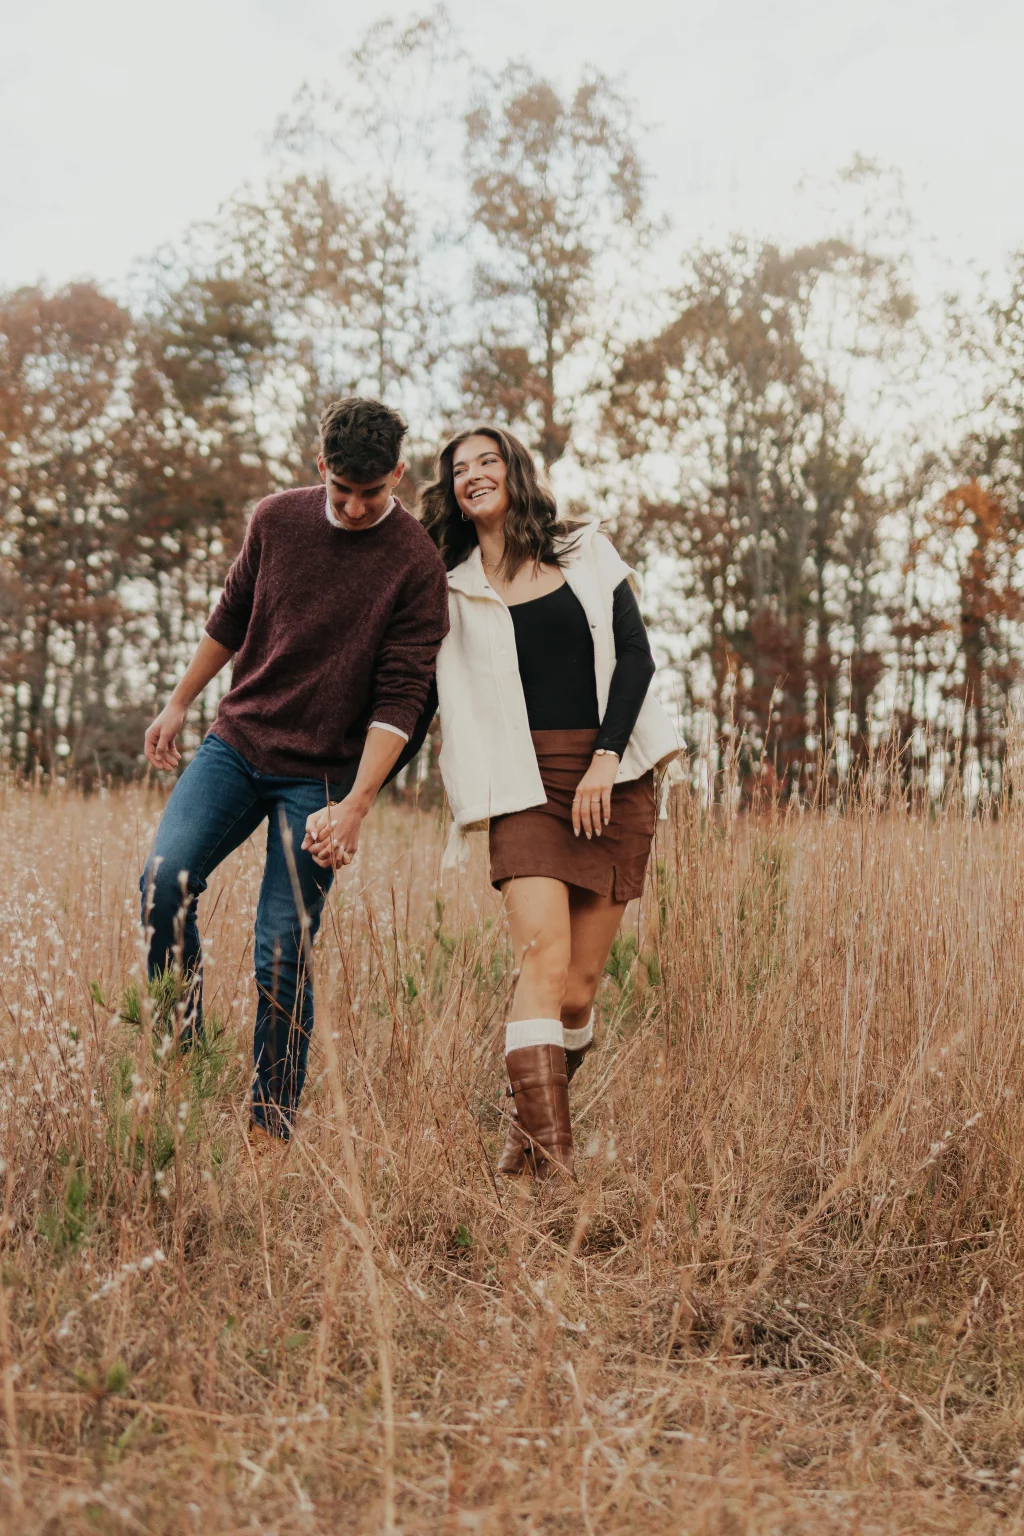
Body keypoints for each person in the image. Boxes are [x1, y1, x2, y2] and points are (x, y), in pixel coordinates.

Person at [140, 398, 449, 1143]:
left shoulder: (416, 564)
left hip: (320, 780)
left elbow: (403, 698)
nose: (353, 506)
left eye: (370, 492)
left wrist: (356, 805)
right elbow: (230, 616)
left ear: (398, 475)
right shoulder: (276, 519)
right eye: (341, 488)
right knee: (162, 882)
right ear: (321, 467)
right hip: (237, 745)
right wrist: (179, 703)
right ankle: (182, 1059)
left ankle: (269, 1126)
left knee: (281, 951)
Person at [420, 425, 682, 1179]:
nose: (473, 474)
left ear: (516, 471)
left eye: (487, 460)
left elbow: (636, 658)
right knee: (543, 960)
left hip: (611, 776)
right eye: (459, 469)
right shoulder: (450, 588)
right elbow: (413, 690)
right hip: (521, 784)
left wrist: (606, 758)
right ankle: (555, 1170)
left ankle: (525, 1142)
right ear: (452, 493)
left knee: (577, 991)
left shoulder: (585, 551)